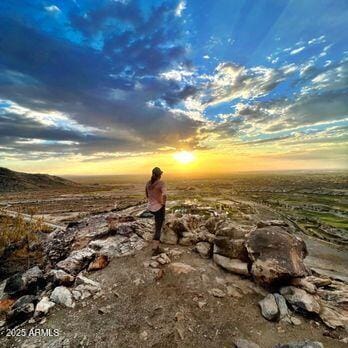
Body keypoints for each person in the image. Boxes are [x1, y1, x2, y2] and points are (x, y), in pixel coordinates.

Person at [145, 167, 167, 255]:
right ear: (159, 175)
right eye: (160, 174)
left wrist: (152, 201)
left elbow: (147, 195)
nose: (161, 176)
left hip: (150, 207)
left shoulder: (148, 183)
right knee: (158, 228)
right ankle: (155, 248)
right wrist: (162, 203)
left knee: (156, 225)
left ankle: (155, 243)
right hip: (158, 208)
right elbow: (165, 195)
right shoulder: (161, 183)